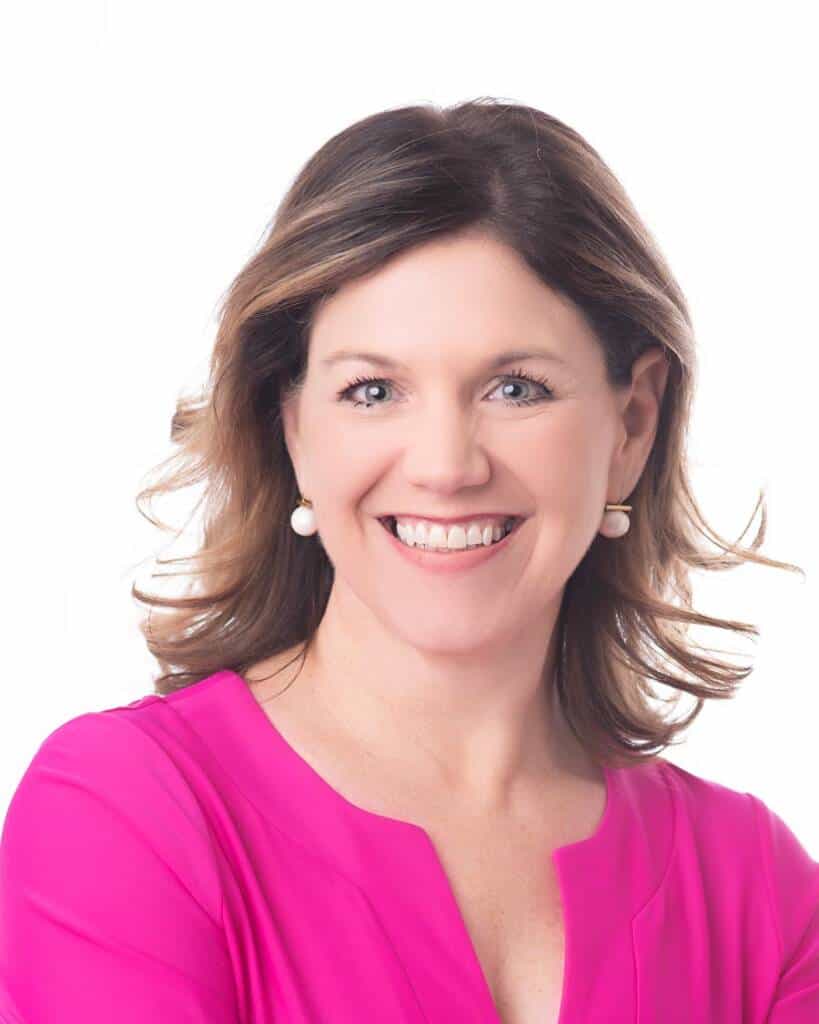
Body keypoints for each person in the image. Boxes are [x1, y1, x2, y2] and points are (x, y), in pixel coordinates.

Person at [1, 98, 816, 1023]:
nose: (444, 466)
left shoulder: (759, 891)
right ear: (292, 423)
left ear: (630, 424)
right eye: (372, 389)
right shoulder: (127, 814)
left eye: (517, 388)